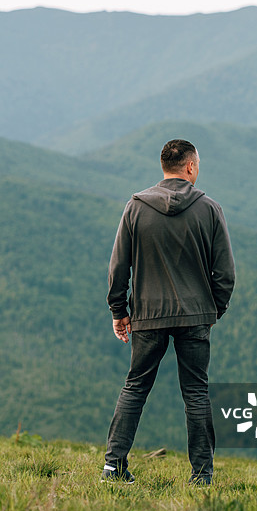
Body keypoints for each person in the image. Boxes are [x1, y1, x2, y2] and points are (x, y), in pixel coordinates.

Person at [102, 139, 235, 485]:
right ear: (190, 166)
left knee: (135, 387)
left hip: (148, 315)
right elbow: (225, 274)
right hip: (195, 316)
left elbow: (119, 267)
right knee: (196, 392)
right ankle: (201, 475)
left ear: (164, 166)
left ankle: (113, 467)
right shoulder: (210, 209)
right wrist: (212, 310)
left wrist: (120, 310)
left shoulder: (135, 207)